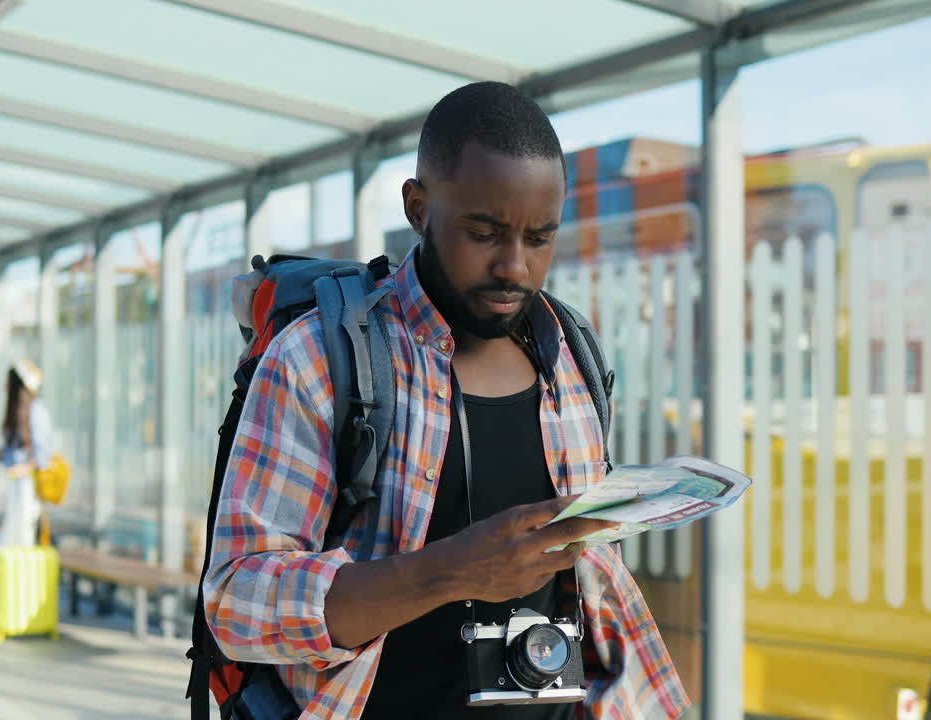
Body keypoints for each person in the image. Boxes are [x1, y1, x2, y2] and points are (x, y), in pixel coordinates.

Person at [203, 82, 689, 718]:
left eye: (540, 238)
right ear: (417, 206)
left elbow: (593, 588)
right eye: (483, 233)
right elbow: (237, 605)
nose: (515, 266)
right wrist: (449, 571)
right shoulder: (318, 359)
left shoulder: (572, 353)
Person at [0, 358, 53, 551]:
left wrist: (26, 468)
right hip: (16, 486)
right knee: (11, 538)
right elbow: (10, 458)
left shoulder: (36, 411)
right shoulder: (17, 416)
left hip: (29, 487)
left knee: (23, 536)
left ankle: (24, 581)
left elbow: (43, 455)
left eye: (8, 381)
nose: (4, 386)